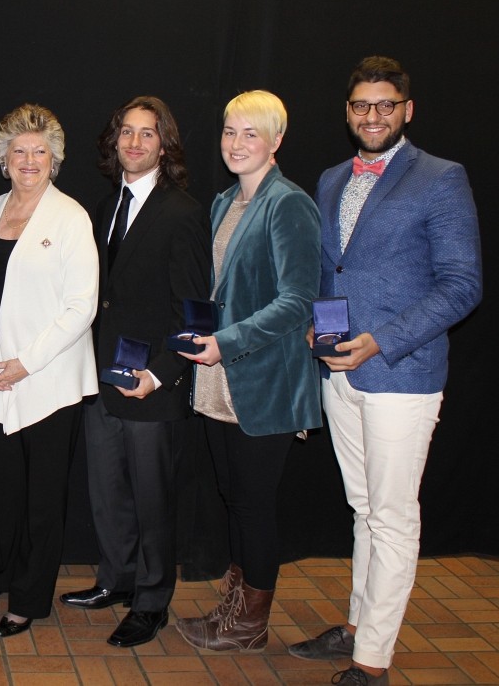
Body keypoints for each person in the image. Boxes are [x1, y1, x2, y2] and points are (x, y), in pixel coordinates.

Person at [288, 57, 482, 686]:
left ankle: (371, 661)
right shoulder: (331, 178)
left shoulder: (441, 178)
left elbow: (462, 285)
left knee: (393, 517)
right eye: (361, 105)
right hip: (340, 373)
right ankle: (355, 626)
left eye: (385, 105)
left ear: (407, 110)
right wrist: (316, 324)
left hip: (403, 373)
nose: (373, 116)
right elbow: (331, 270)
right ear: (348, 112)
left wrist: (383, 342)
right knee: (364, 507)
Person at [59, 96, 210, 647]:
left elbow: (195, 311)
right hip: (102, 378)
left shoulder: (184, 212)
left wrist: (163, 373)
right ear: (114, 141)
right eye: (126, 132)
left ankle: (151, 602)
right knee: (107, 492)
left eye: (147, 133)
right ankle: (116, 579)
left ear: (164, 145)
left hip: (152, 386)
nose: (135, 142)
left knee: (152, 500)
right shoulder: (102, 208)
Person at [174, 90, 322, 653]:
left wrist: (226, 341)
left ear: (276, 140)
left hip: (264, 382)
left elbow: (298, 301)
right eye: (230, 132)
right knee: (234, 499)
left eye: (250, 134)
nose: (236, 144)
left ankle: (250, 625)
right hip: (220, 378)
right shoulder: (224, 202)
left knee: (254, 507)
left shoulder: (288, 204)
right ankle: (234, 608)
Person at [0, 103, 99, 638]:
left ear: (54, 159)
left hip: (49, 383)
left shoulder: (70, 217)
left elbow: (81, 307)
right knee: (6, 491)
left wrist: (24, 364)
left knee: (42, 500)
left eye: (40, 151)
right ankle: (5, 573)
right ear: (4, 158)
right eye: (20, 150)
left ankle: (30, 598)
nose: (30, 160)